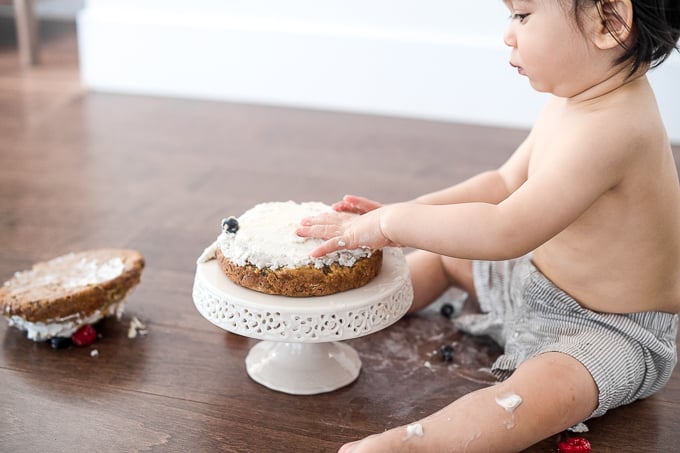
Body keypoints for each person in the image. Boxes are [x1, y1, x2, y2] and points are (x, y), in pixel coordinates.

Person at [296, 0, 680, 451]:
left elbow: (505, 229)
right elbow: (503, 184)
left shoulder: (616, 127)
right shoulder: (573, 98)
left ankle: (414, 444)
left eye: (522, 15)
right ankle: (331, 316)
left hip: (608, 330)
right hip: (534, 282)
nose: (507, 34)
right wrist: (406, 210)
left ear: (609, 22)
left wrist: (395, 224)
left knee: (530, 399)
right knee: (442, 255)